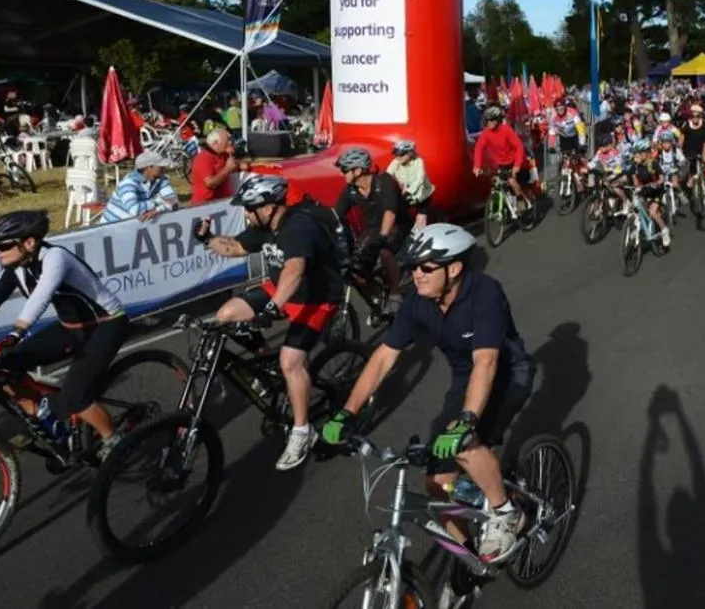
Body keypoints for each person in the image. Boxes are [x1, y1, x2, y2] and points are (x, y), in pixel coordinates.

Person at [321, 224, 535, 563]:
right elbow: (382, 358)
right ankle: (468, 560)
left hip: (507, 374)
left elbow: (487, 361)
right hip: (467, 377)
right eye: (412, 267)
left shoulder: (485, 292)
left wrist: (466, 421)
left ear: (454, 269)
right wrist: (347, 412)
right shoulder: (417, 303)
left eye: (425, 268)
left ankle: (507, 512)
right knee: (436, 486)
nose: (416, 275)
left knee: (465, 441)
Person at [0, 210, 130, 456]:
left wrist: (16, 334)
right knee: (2, 367)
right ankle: (46, 420)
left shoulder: (56, 257)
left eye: (2, 245)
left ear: (29, 242)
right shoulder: (17, 267)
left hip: (106, 325)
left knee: (75, 396)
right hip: (71, 329)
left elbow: (41, 297)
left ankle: (115, 442)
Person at [198, 174, 344, 471]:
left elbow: (294, 270)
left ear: (268, 207)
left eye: (249, 208)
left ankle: (303, 431)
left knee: (290, 360)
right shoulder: (263, 227)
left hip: (315, 298)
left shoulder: (298, 227)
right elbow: (235, 247)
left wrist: (271, 308)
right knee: (225, 315)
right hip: (279, 290)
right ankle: (265, 360)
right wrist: (206, 239)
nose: (245, 214)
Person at [334, 146, 412, 304]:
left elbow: (390, 212)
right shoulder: (351, 190)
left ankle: (395, 295)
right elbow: (336, 214)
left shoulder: (384, 181)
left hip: (397, 224)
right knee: (355, 267)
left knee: (384, 251)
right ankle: (377, 299)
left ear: (358, 170)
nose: (341, 173)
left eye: (344, 169)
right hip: (372, 229)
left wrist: (382, 238)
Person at [472, 106, 533, 209]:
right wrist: (477, 166)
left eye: (492, 120)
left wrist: (517, 165)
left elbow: (519, 146)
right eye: (487, 120)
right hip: (500, 164)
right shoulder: (486, 133)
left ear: (498, 120)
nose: (489, 123)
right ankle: (505, 206)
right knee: (495, 182)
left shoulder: (506, 130)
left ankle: (520, 200)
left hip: (514, 162)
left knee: (511, 181)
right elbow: (479, 148)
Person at [99, 150, 180, 223]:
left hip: (135, 229)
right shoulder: (128, 184)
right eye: (160, 166)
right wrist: (159, 201)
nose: (164, 168)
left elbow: (174, 202)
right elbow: (135, 210)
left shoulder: (161, 179)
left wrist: (157, 210)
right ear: (148, 167)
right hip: (111, 229)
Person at [387, 139, 435, 227]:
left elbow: (419, 179)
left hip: (422, 193)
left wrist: (409, 190)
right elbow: (388, 174)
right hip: (407, 194)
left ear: (410, 153)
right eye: (396, 154)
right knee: (401, 217)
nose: (398, 157)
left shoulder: (418, 162)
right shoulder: (396, 162)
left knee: (420, 220)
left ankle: (421, 233)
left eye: (401, 155)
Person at [189, 127, 240, 205]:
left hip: (224, 203)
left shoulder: (223, 154)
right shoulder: (203, 158)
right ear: (215, 143)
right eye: (227, 140)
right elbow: (210, 184)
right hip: (206, 205)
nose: (230, 142)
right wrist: (227, 170)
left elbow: (236, 165)